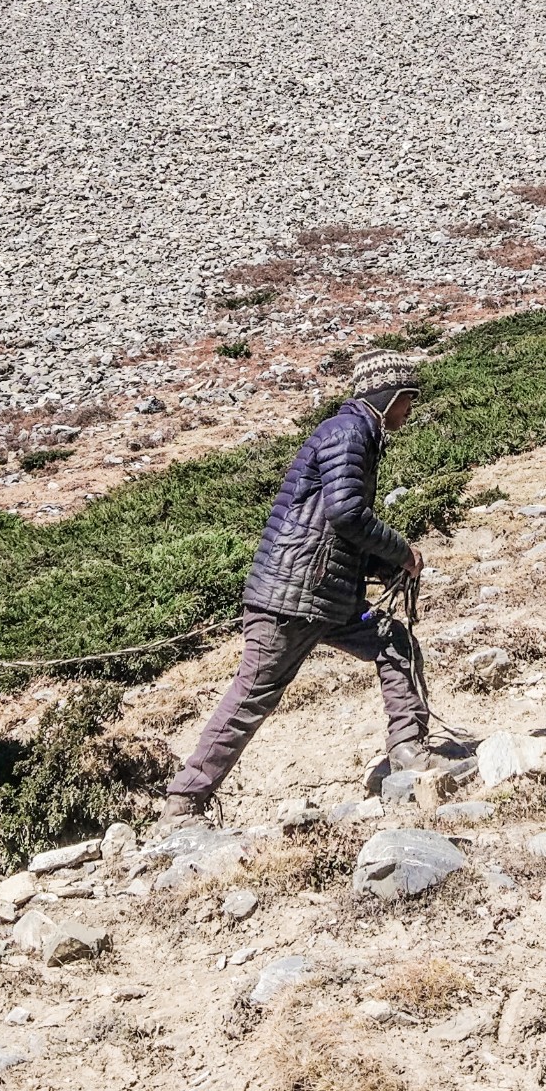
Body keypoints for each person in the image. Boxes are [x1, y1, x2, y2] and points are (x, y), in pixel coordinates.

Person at [163, 349, 441, 817]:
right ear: (387, 395)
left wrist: (380, 568)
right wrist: (401, 552)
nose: (410, 410)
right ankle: (184, 801)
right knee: (252, 696)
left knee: (393, 640)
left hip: (321, 594)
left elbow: (328, 529)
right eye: (408, 399)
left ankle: (409, 750)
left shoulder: (352, 433)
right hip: (295, 598)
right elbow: (346, 514)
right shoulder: (351, 433)